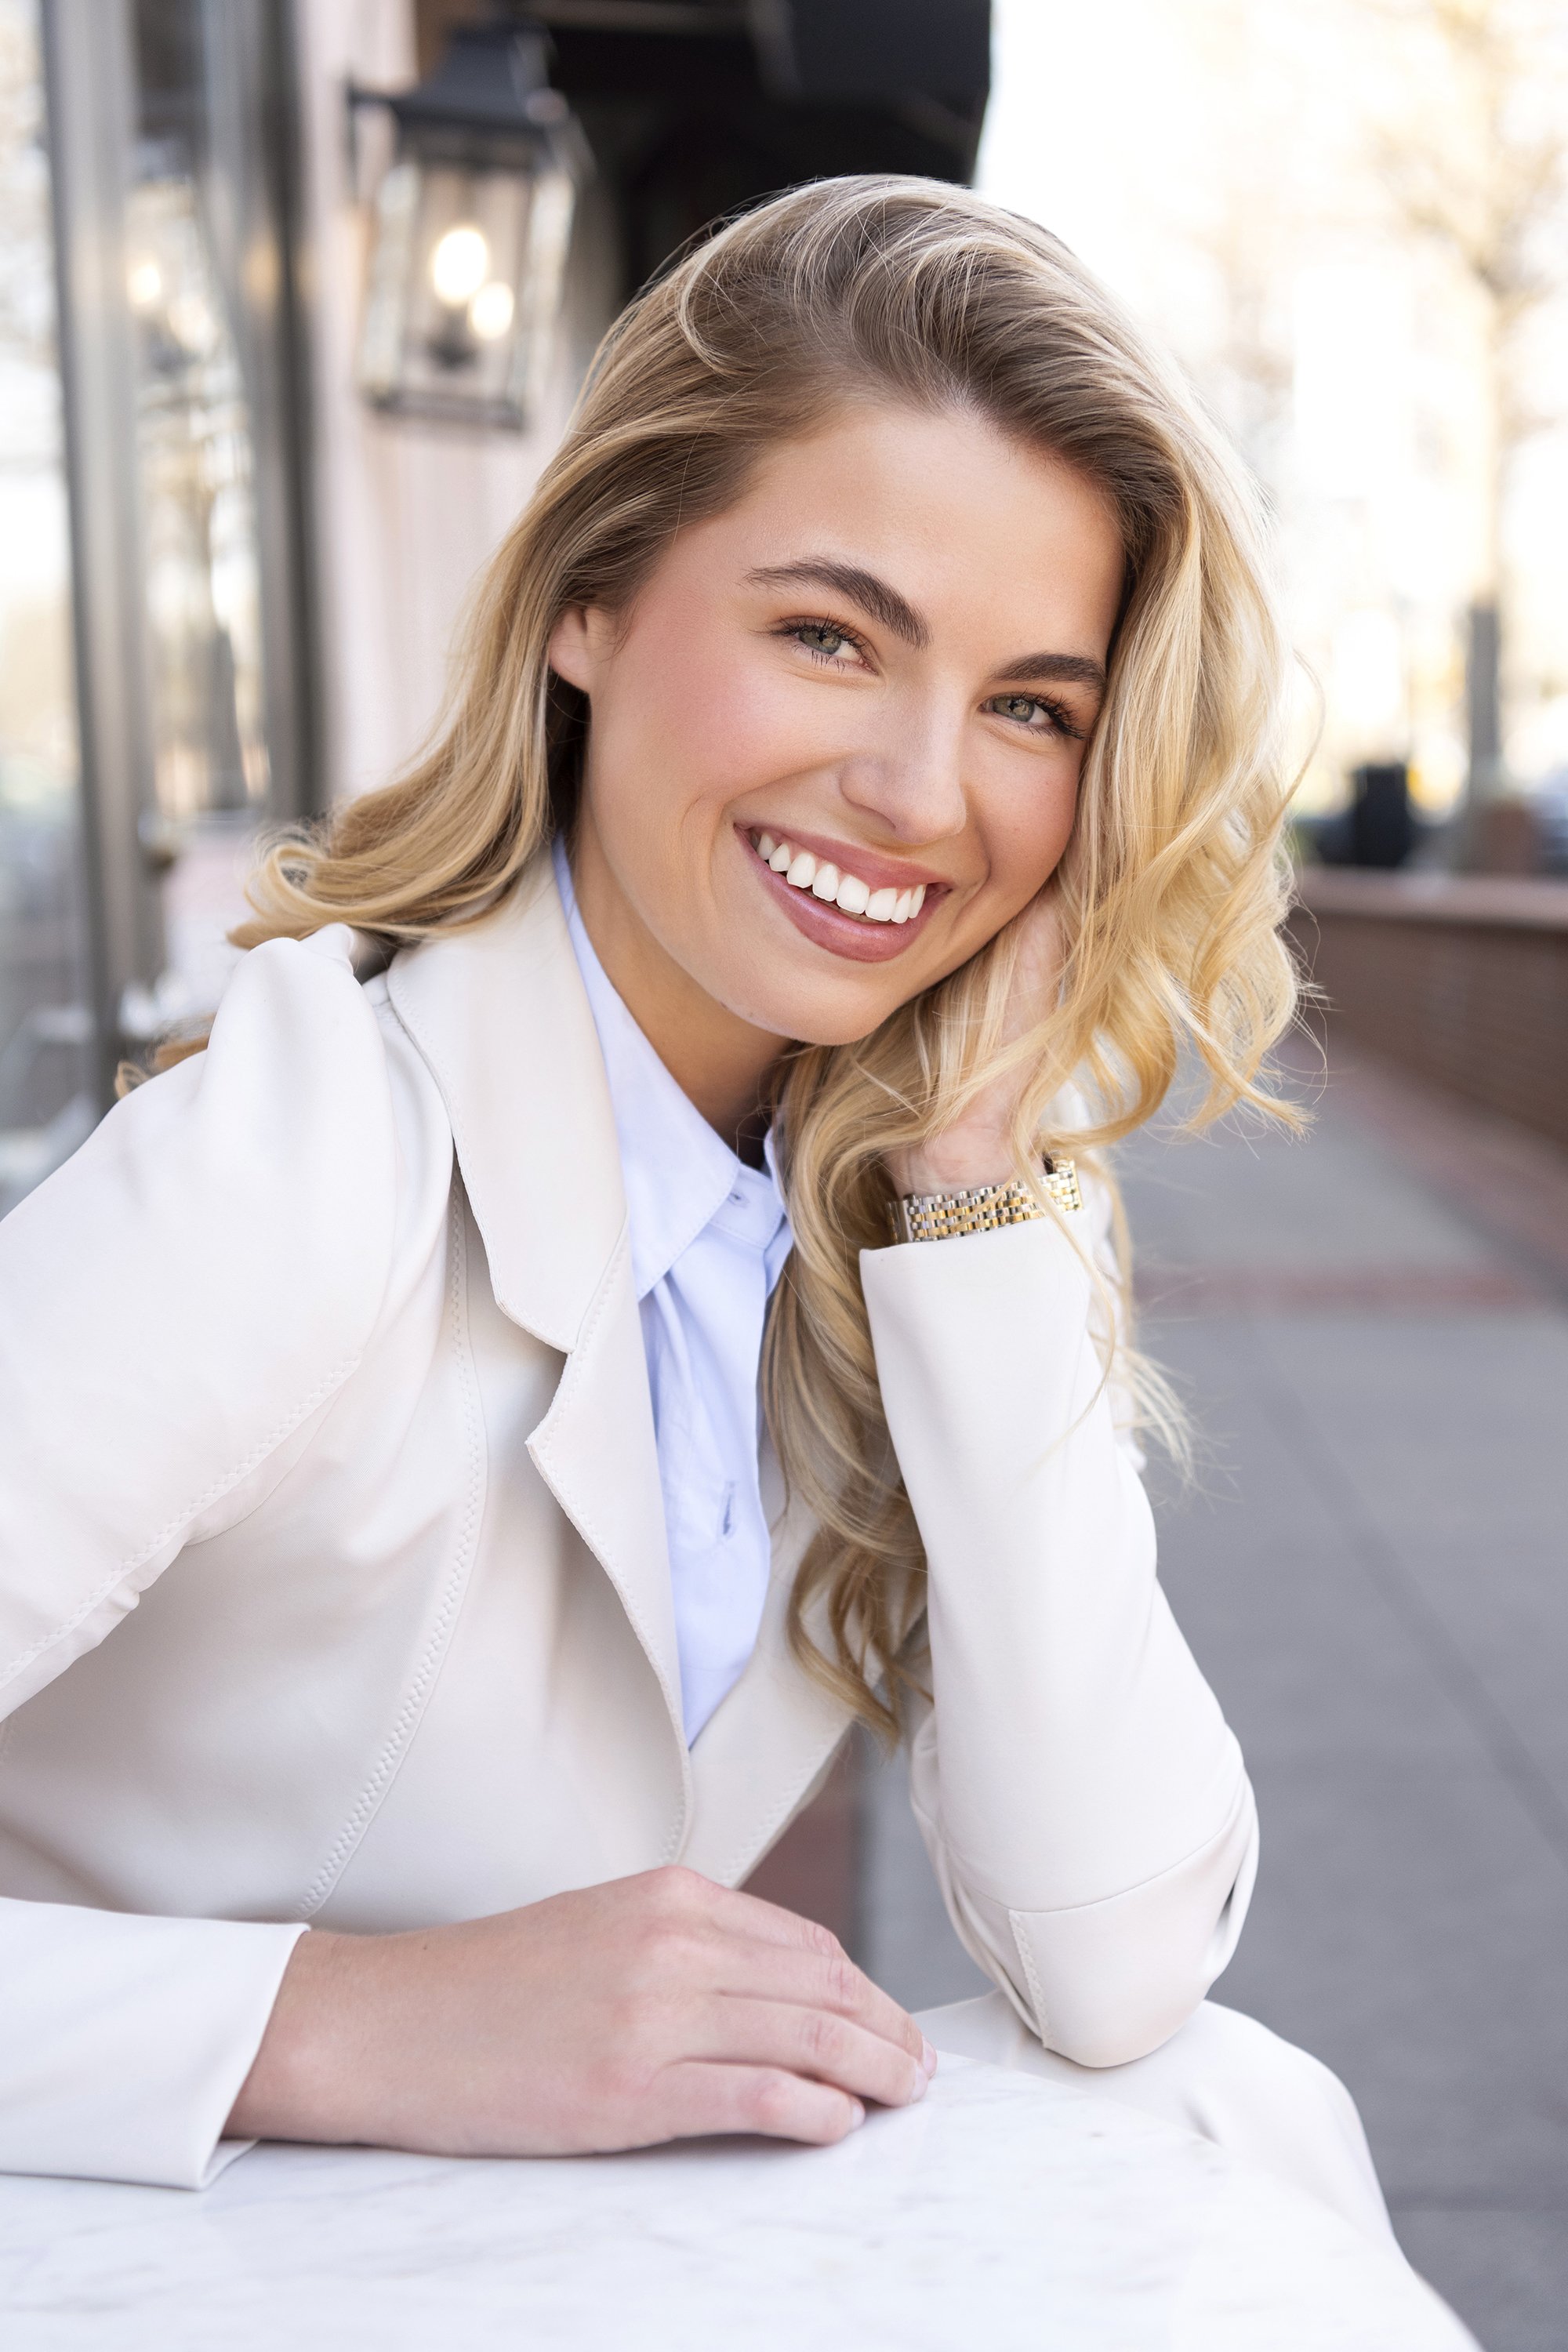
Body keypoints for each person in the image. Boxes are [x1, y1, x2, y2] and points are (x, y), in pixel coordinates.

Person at [0, 177, 1391, 2241]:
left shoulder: (910, 1208)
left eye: (1032, 707)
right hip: (131, 2247)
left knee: (1232, 2113)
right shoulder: (304, 1151)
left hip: (462, 2269)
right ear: (590, 602)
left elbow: (1115, 1964)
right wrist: (345, 2020)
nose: (925, 793)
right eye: (829, 636)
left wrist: (978, 1202)